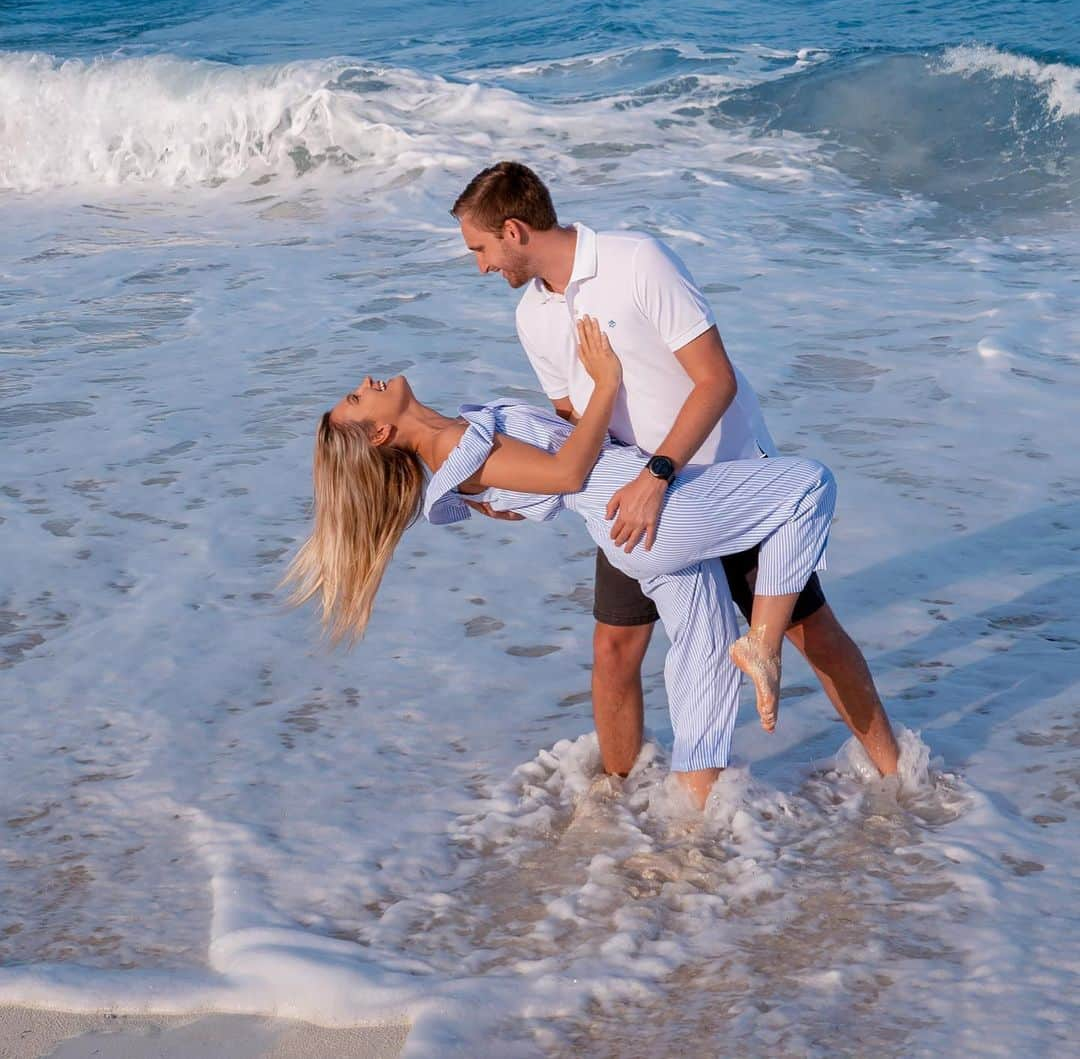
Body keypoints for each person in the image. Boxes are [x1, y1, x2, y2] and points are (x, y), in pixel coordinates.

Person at [451, 161, 900, 788]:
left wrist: (658, 475)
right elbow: (573, 424)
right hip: (632, 497)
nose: (480, 267)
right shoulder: (532, 317)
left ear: (515, 230)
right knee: (614, 651)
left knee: (809, 633)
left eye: (480, 249)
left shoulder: (637, 262)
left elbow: (717, 380)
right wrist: (521, 490)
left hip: (724, 479)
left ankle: (899, 777)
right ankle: (618, 800)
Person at [286, 318, 837, 807]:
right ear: (381, 433)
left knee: (704, 657)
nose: (365, 384)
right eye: (358, 400)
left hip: (631, 528)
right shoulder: (454, 447)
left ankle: (692, 823)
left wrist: (516, 497)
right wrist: (606, 383)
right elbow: (569, 473)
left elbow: (535, 483)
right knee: (809, 486)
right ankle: (763, 643)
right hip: (647, 509)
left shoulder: (454, 442)